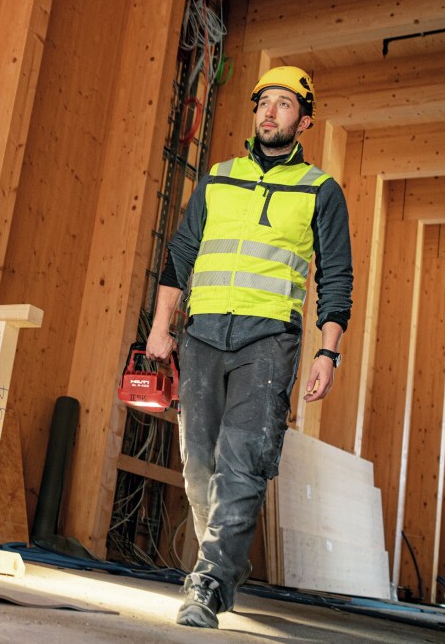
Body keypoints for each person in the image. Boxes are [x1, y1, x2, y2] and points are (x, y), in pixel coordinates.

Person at [145, 66, 353, 629]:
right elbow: (180, 254)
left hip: (268, 343)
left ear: (303, 120)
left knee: (242, 464)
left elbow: (336, 279)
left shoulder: (319, 190)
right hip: (203, 335)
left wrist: (326, 352)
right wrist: (162, 326)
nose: (270, 112)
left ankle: (208, 582)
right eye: (264, 102)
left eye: (284, 105)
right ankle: (229, 557)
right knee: (197, 466)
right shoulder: (218, 178)